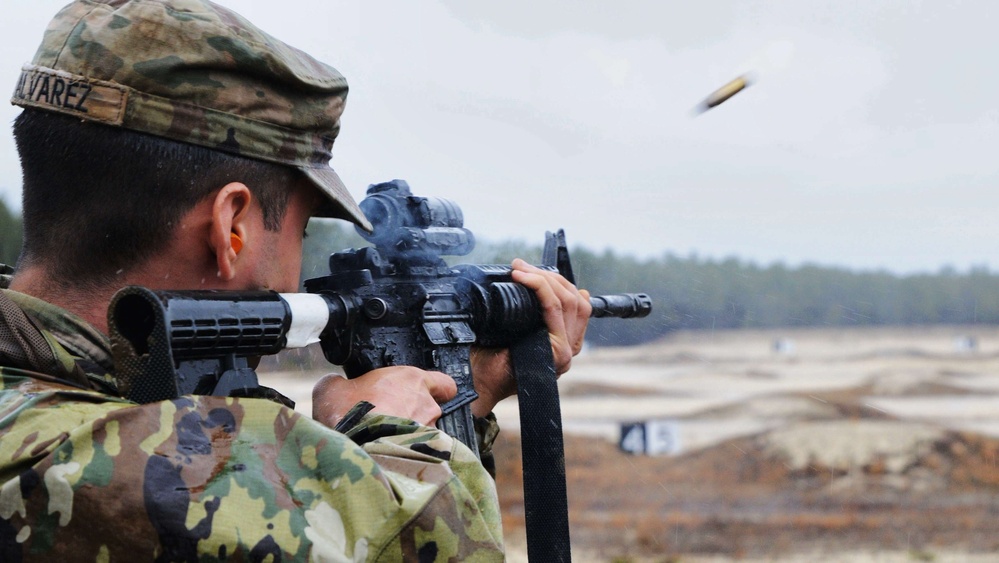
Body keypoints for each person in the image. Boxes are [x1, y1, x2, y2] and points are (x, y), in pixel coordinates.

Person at [0, 0, 591, 560]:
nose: (297, 271)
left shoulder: (63, 409)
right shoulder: (90, 464)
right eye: (302, 230)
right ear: (231, 227)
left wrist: (465, 391)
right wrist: (388, 432)